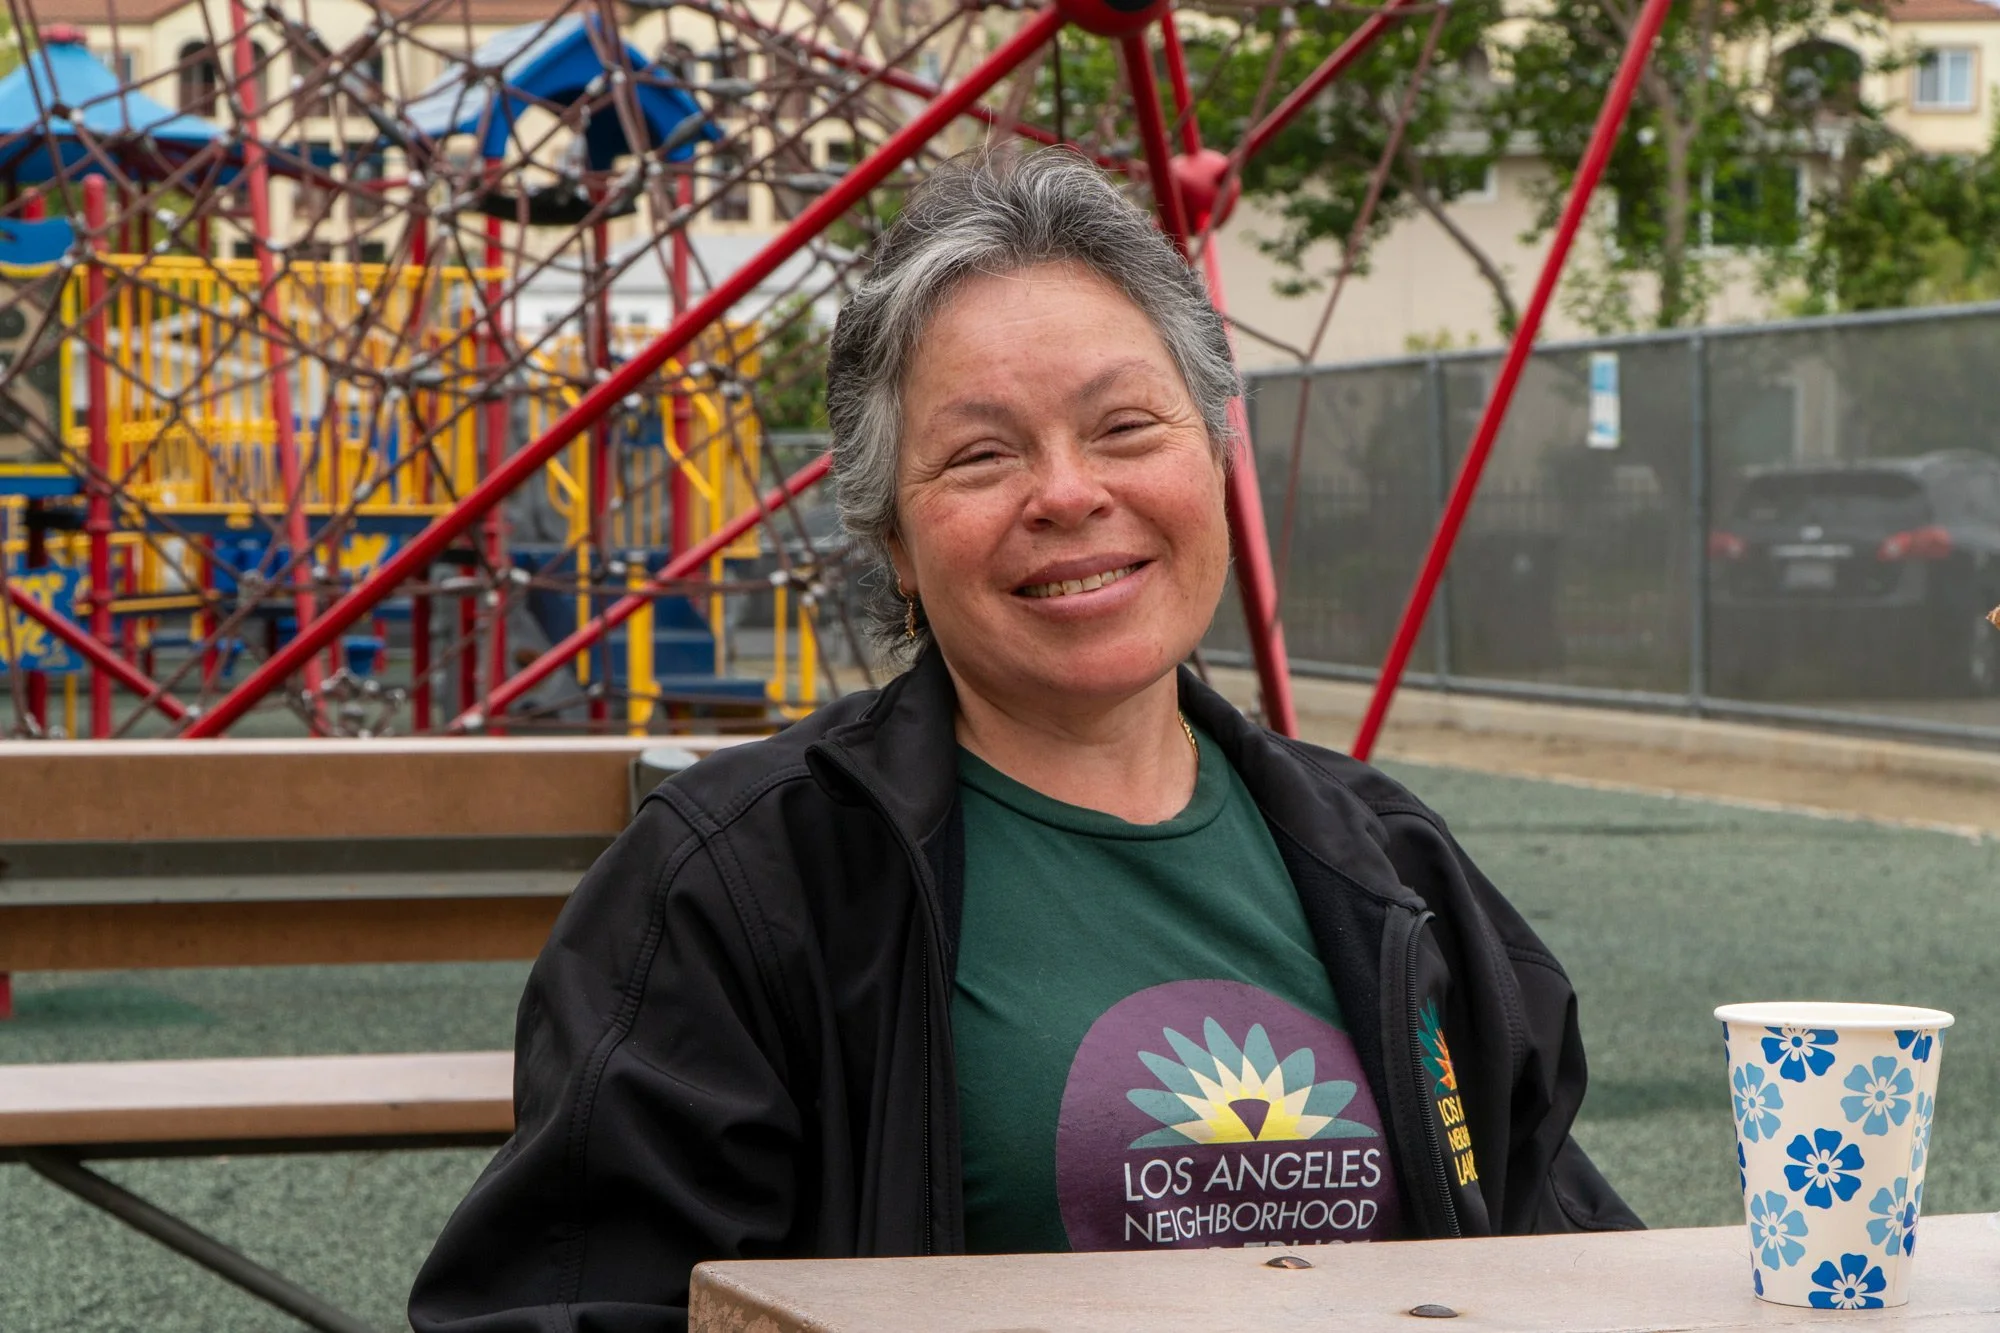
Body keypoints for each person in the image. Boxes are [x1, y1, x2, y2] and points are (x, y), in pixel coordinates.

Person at [409, 149, 1639, 1333]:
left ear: (1215, 454)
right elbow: (563, 1303)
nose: (1064, 494)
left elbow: (1562, 1264)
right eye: (981, 454)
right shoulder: (740, 887)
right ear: (892, 535)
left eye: (1122, 428)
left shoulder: (1389, 867)